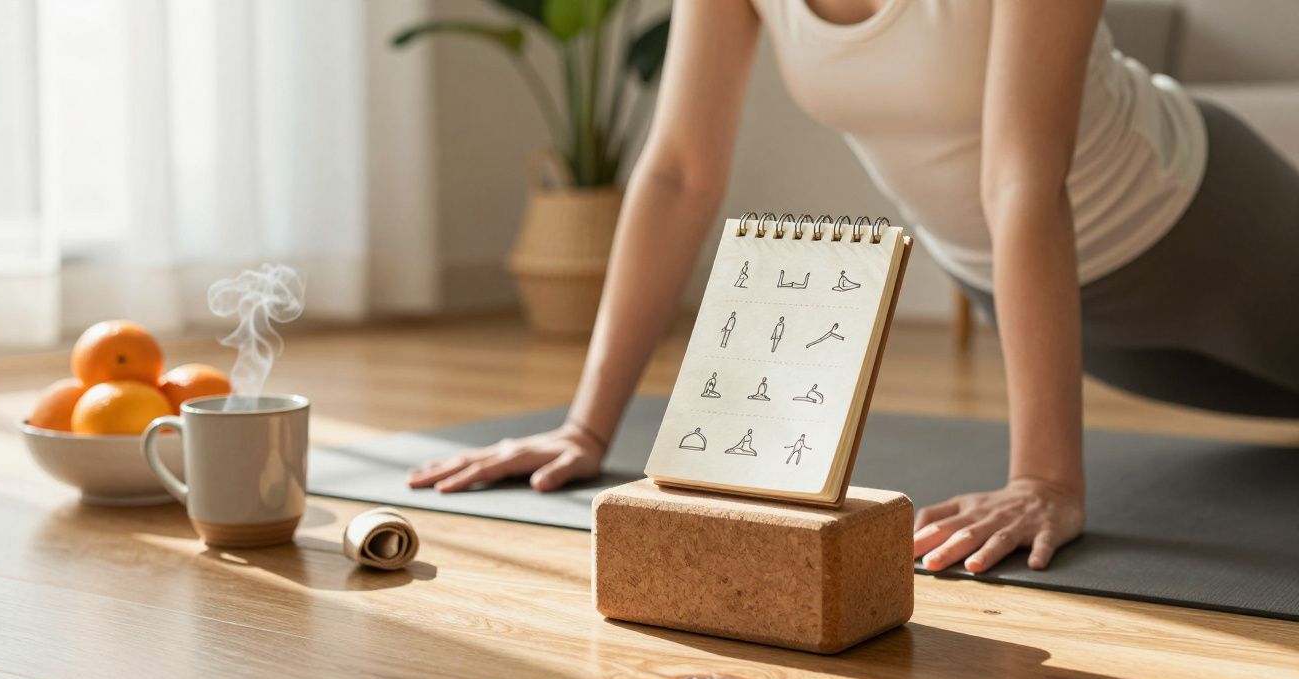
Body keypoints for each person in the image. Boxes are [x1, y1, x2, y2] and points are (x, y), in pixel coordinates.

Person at [409, 1, 1299, 574]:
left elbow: (1022, 181)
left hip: (1212, 233)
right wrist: (586, 424)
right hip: (1038, 295)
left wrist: (1045, 477)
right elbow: (680, 173)